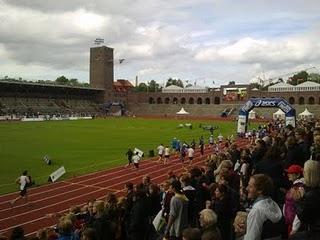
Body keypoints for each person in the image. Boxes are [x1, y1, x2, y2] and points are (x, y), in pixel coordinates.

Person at [244, 174, 283, 240]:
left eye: (250, 186)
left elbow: (252, 238)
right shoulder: (274, 204)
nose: (246, 188)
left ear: (260, 190)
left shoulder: (257, 210)